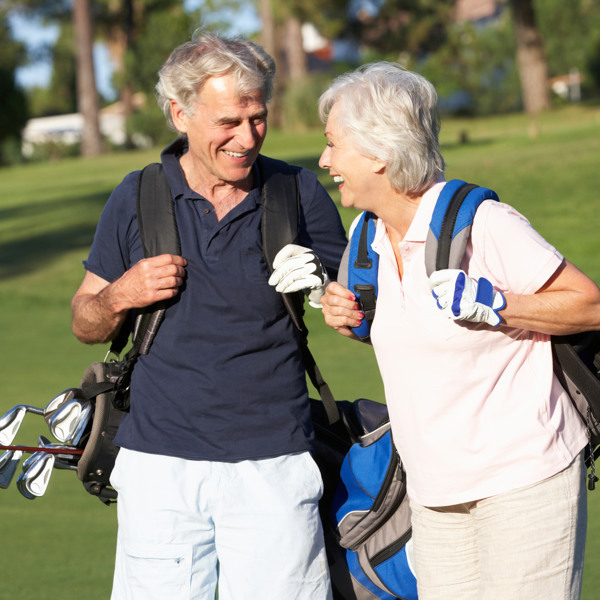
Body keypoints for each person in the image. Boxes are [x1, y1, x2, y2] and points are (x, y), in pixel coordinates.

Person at [71, 31, 347, 600]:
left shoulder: (298, 192)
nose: (247, 138)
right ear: (180, 113)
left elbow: (360, 310)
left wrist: (326, 285)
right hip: (159, 471)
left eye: (258, 118)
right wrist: (120, 294)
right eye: (228, 121)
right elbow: (84, 322)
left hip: (276, 463)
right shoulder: (136, 195)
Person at [318, 61, 600, 600]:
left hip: (522, 481)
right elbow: (410, 334)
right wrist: (351, 319)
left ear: (378, 153)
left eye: (334, 145)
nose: (326, 160)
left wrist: (498, 304)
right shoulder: (365, 237)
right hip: (431, 492)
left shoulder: (485, 225)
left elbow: (588, 306)